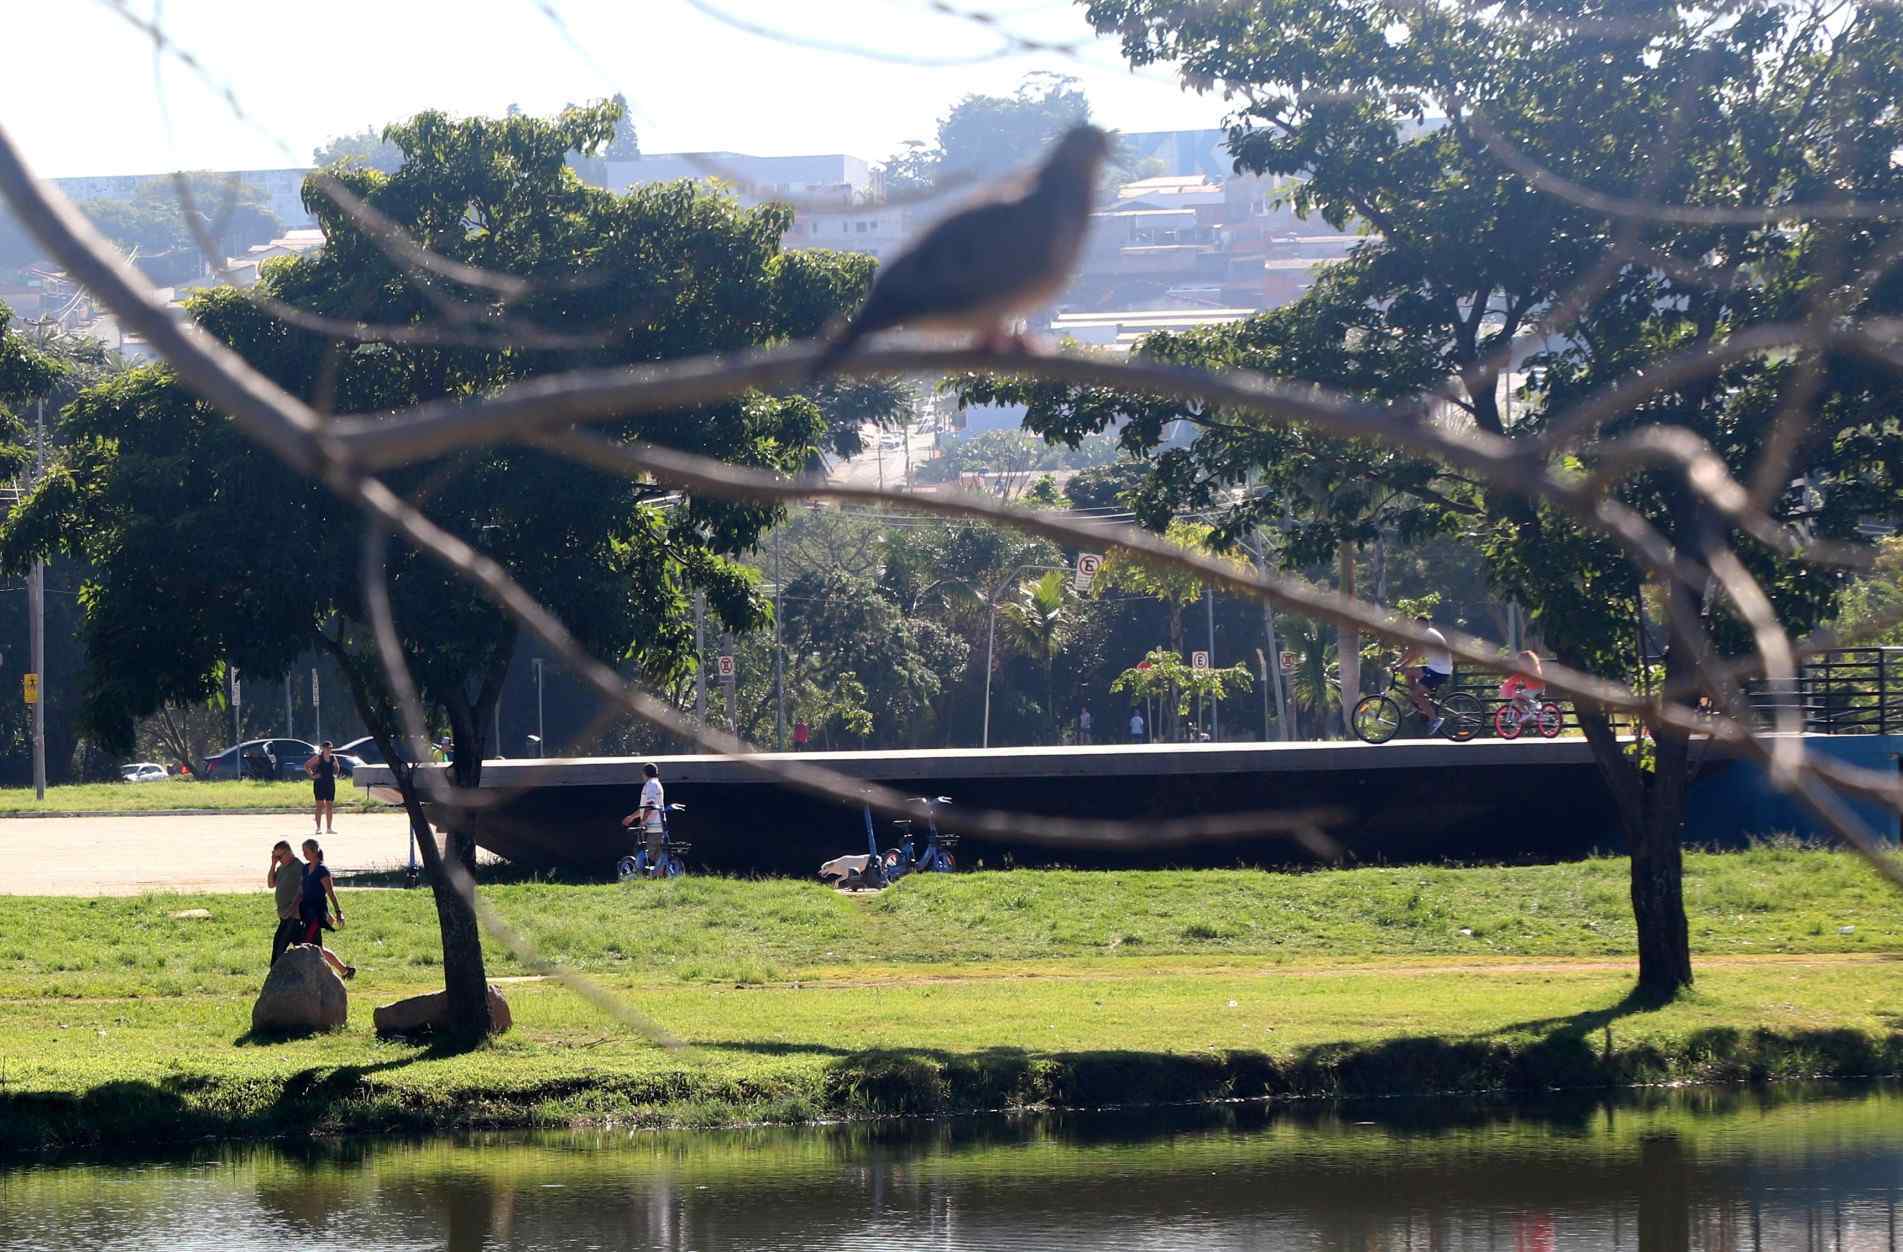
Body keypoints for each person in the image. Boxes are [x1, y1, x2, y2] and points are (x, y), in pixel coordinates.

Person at [298, 838, 355, 980]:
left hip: (317, 914)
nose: (304, 854)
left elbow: (330, 893)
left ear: (314, 851)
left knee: (308, 945)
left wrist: (338, 912)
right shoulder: (305, 868)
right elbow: (302, 891)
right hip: (306, 912)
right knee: (317, 948)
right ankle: (345, 970)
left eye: (306, 852)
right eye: (303, 852)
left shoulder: (322, 870)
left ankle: (316, 975)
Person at [1397, 613, 1455, 734]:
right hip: (1436, 668)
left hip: (1439, 671)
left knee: (1417, 695)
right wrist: (1400, 664)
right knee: (1408, 672)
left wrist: (1399, 664)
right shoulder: (1429, 634)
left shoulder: (1427, 634)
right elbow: (1415, 653)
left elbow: (1414, 652)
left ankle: (1434, 719)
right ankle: (1421, 705)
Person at [620, 762, 666, 876]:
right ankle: (655, 875)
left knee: (648, 854)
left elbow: (650, 806)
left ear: (644, 774)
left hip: (653, 828)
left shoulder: (650, 785)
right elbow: (644, 808)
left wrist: (643, 822)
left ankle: (644, 875)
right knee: (653, 854)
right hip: (658, 826)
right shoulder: (657, 784)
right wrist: (632, 817)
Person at [267, 840, 305, 966]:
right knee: (304, 949)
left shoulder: (299, 867)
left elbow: (302, 892)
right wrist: (273, 864)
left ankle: (274, 974)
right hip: (284, 915)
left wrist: (291, 910)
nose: (278, 859)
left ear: (288, 853)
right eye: (275, 856)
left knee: (279, 945)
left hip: (293, 916)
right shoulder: (281, 867)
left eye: (279, 856)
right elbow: (271, 884)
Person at [1499, 650, 1546, 729]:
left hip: (1533, 690)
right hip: (1539, 688)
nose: (1519, 663)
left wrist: (1507, 683)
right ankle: (1531, 713)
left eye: (1520, 661)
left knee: (1517, 697)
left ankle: (1526, 713)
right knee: (1523, 696)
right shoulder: (1534, 667)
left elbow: (1516, 677)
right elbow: (1525, 679)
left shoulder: (1526, 669)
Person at [304, 740, 340, 835]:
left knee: (329, 805)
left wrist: (335, 775)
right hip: (319, 783)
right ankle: (318, 828)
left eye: (331, 748)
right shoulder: (318, 758)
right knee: (319, 806)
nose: (329, 750)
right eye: (327, 748)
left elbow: (337, 767)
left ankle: (329, 828)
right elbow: (307, 765)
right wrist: (312, 776)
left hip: (330, 783)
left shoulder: (333, 758)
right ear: (323, 749)